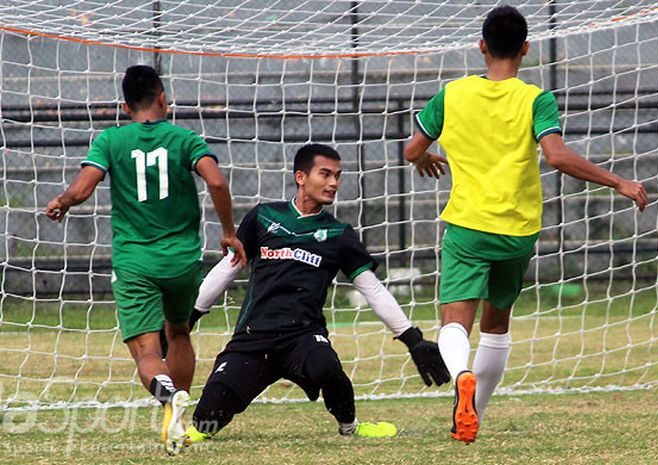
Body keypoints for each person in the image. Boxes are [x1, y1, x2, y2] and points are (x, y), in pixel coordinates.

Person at [403, 5, 648, 444]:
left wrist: (424, 157)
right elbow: (556, 155)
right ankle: (472, 415)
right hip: (517, 232)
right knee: (496, 327)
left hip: (467, 227)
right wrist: (619, 181)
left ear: (481, 47)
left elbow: (411, 149)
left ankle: (461, 376)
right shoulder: (536, 99)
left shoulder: (451, 94)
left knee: (455, 324)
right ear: (526, 49)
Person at [183, 143, 450, 443]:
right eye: (325, 174)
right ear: (300, 176)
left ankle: (350, 426)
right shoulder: (262, 217)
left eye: (338, 175)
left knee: (326, 366)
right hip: (253, 337)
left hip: (303, 337)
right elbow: (226, 269)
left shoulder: (339, 235)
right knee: (205, 420)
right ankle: (195, 429)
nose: (334, 183)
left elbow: (372, 289)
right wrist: (189, 317)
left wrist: (412, 339)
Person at [45, 65, 247, 455]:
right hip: (182, 260)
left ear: (124, 107)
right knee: (180, 332)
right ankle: (182, 413)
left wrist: (62, 202)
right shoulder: (184, 138)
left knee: (148, 352)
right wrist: (228, 231)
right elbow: (217, 181)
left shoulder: (110, 141)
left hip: (136, 260)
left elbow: (84, 186)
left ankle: (169, 397)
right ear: (162, 98)